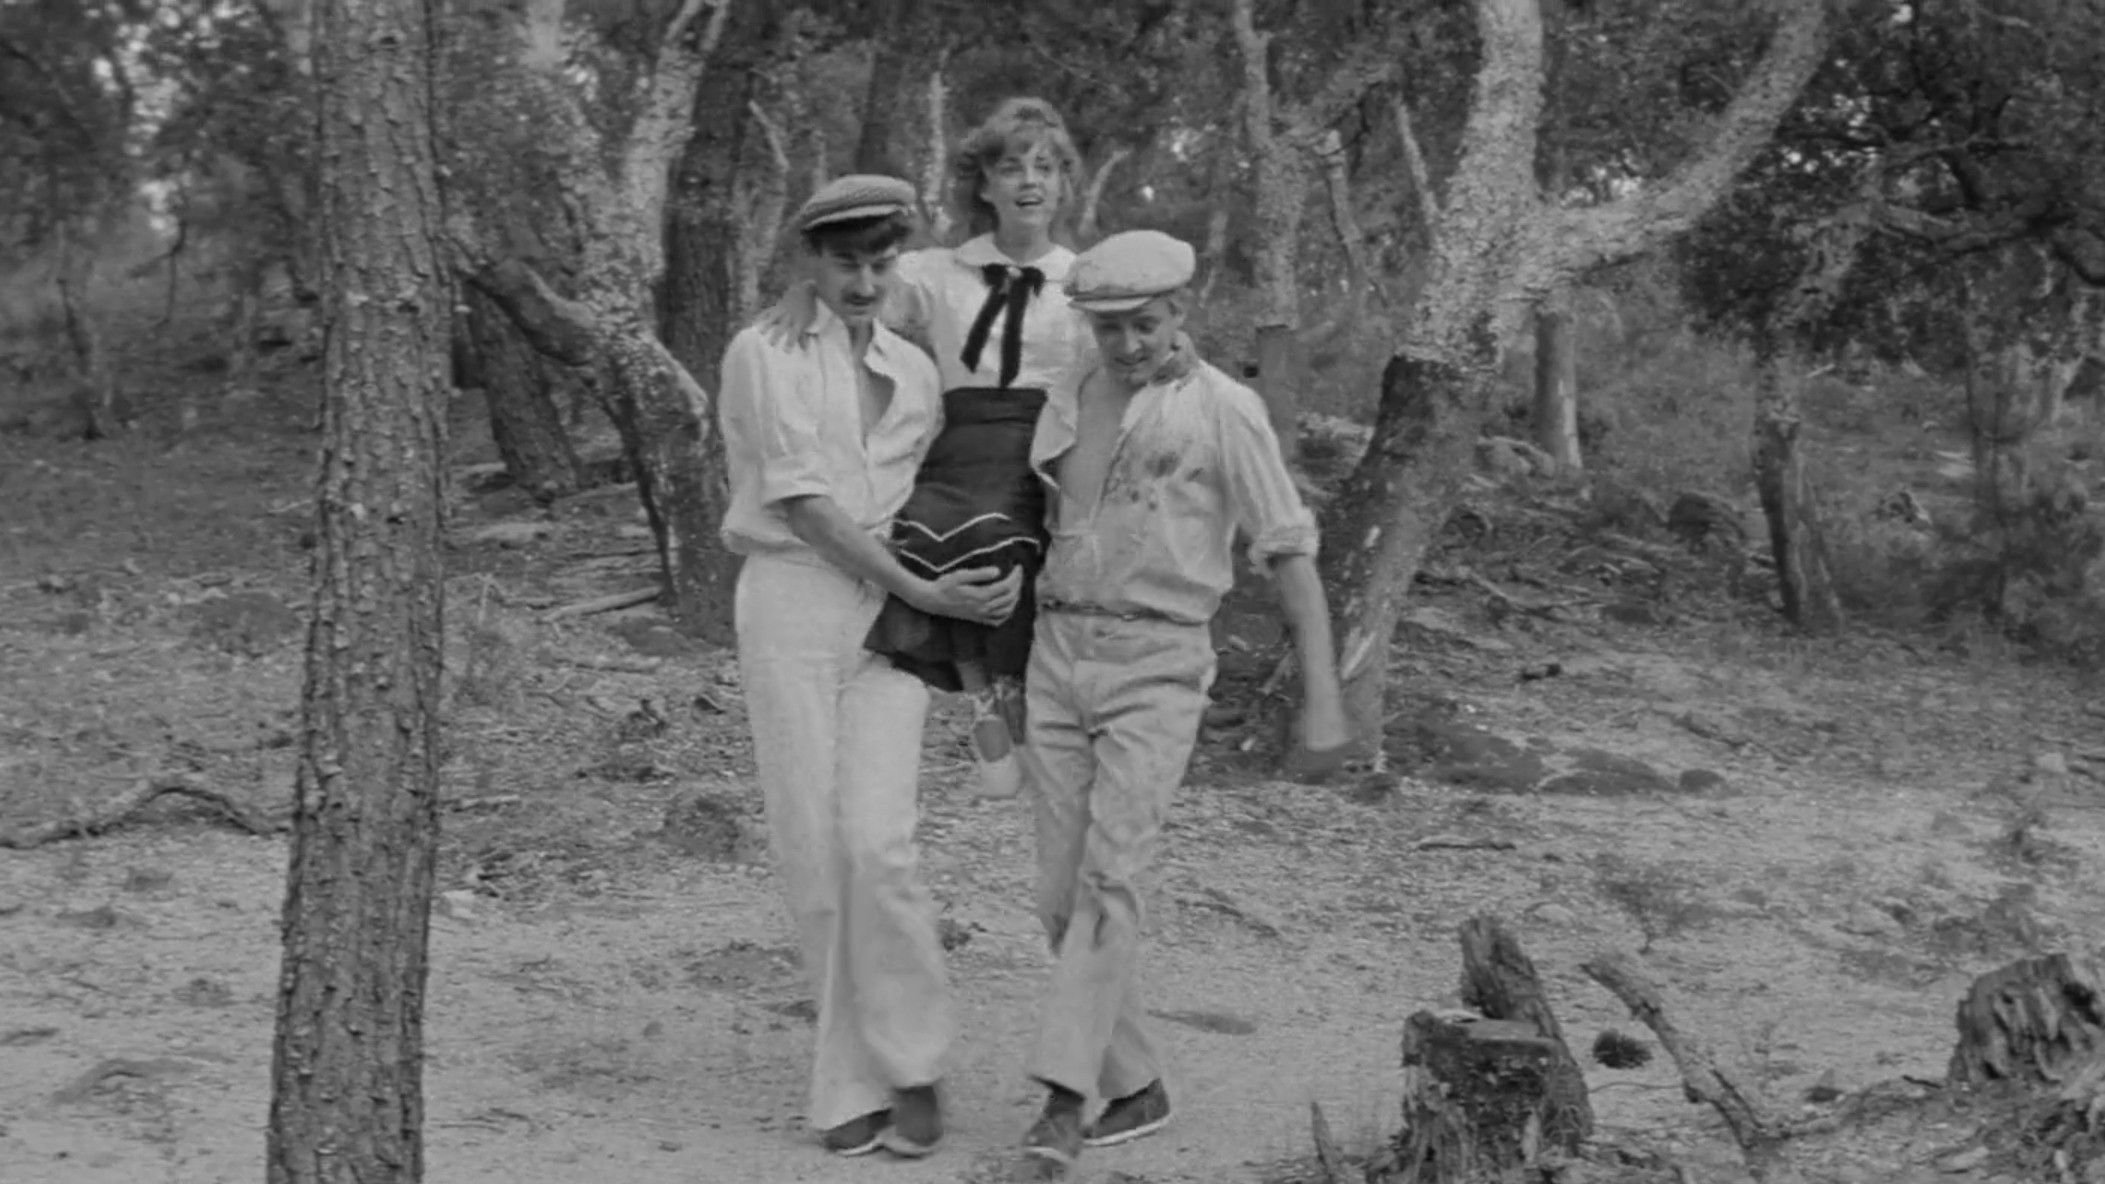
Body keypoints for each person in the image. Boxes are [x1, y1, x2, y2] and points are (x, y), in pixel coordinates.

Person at [1012, 229, 1353, 1173]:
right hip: (1055, 652)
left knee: (1111, 878)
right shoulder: (1064, 393)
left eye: (1145, 324)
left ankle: (1063, 1098)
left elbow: (1288, 548)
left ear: (1179, 313)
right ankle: (1135, 1084)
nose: (1128, 344)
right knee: (1057, 897)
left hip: (1157, 661)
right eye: (1109, 327)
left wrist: (1323, 698)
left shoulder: (1223, 409)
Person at [717, 173, 1022, 1161]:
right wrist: (925, 590)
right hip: (795, 600)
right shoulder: (762, 354)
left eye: (880, 263)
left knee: (881, 846)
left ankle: (913, 1059)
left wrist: (960, 591)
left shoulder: (913, 368)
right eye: (843, 262)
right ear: (807, 259)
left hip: (892, 618)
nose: (863, 281)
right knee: (816, 854)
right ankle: (852, 1082)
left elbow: (951, 473)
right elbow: (804, 507)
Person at [761, 97, 1096, 799]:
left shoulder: (1084, 278)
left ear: (1064, 183)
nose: (1029, 182)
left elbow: (1133, 339)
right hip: (960, 438)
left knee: (1005, 542)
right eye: (1011, 168)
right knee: (924, 535)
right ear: (984, 184)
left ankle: (1017, 694)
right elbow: (858, 287)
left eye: (1045, 168)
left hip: (1044, 442)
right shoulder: (939, 271)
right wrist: (802, 293)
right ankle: (982, 698)